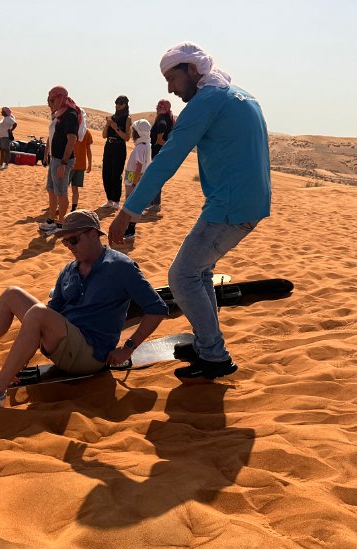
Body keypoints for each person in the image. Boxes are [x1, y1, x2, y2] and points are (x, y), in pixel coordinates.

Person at [108, 42, 271, 381]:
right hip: (245, 201)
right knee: (199, 272)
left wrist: (128, 212)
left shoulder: (206, 101)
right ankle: (205, 343)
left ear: (192, 70)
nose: (170, 88)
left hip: (230, 205)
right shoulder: (238, 94)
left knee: (182, 276)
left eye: (172, 78)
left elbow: (167, 159)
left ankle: (214, 356)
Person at [0, 210, 168, 410]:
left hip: (91, 354)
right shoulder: (70, 269)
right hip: (62, 344)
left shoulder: (121, 267)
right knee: (12, 294)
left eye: (73, 240)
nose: (69, 247)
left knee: (38, 313)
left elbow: (157, 309)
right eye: (65, 242)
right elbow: (50, 312)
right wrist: (21, 360)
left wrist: (128, 348)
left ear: (93, 234)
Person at [40, 86, 83, 234]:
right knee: (51, 190)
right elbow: (52, 137)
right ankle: (52, 220)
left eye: (52, 100)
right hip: (55, 159)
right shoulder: (59, 114)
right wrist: (48, 155)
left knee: (61, 192)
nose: (49, 103)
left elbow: (72, 140)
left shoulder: (70, 115)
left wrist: (63, 163)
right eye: (48, 100)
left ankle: (60, 224)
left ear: (61, 98)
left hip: (62, 161)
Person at [120, 119, 153, 242]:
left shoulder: (140, 147)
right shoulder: (147, 145)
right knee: (132, 203)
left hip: (133, 179)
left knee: (130, 203)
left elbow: (139, 165)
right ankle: (129, 228)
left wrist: (134, 183)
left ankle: (130, 229)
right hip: (137, 178)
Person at [100, 95, 132, 209]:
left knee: (116, 174)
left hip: (119, 147)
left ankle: (116, 201)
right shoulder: (112, 118)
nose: (118, 105)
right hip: (109, 146)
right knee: (106, 174)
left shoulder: (127, 119)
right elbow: (104, 135)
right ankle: (109, 200)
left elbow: (127, 137)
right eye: (116, 103)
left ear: (125, 105)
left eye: (121, 103)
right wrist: (108, 124)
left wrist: (115, 128)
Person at [148, 99, 175, 211]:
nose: (157, 108)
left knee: (155, 178)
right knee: (155, 178)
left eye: (159, 106)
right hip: (161, 153)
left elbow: (160, 138)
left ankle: (156, 204)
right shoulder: (169, 118)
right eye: (157, 106)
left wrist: (164, 145)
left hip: (157, 153)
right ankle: (153, 203)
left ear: (164, 109)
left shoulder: (162, 119)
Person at [70, 127, 93, 212]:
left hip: (70, 164)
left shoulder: (71, 129)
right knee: (75, 188)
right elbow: (88, 150)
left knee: (64, 187)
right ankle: (73, 207)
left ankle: (66, 206)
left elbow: (88, 149)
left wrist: (90, 164)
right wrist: (89, 164)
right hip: (80, 164)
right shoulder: (86, 131)